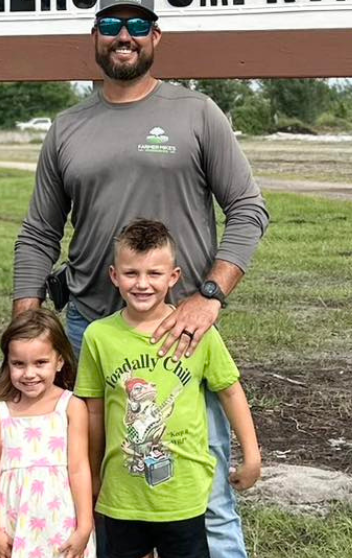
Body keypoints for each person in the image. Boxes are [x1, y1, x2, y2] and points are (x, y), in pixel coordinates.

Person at [13, 0, 269, 557]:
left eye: (135, 26)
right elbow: (39, 233)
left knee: (205, 494)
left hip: (180, 333)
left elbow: (249, 210)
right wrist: (25, 318)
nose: (122, 36)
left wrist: (209, 296)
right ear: (95, 37)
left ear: (155, 37)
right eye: (110, 25)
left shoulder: (197, 113)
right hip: (90, 331)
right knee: (96, 484)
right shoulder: (67, 129)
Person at [75, 219, 261, 558]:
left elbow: (230, 390)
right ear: (114, 276)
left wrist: (252, 454)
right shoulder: (98, 337)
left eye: (154, 274)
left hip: (184, 495)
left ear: (173, 277)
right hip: (122, 498)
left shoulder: (197, 330)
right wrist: (91, 472)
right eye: (131, 274)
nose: (142, 284)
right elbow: (93, 411)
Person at [0, 310, 95, 558]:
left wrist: (85, 526)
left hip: (62, 528)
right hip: (15, 528)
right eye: (18, 364)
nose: (29, 373)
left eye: (40, 363)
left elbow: (79, 469)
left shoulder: (71, 407)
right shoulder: (0, 413)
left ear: (60, 361)